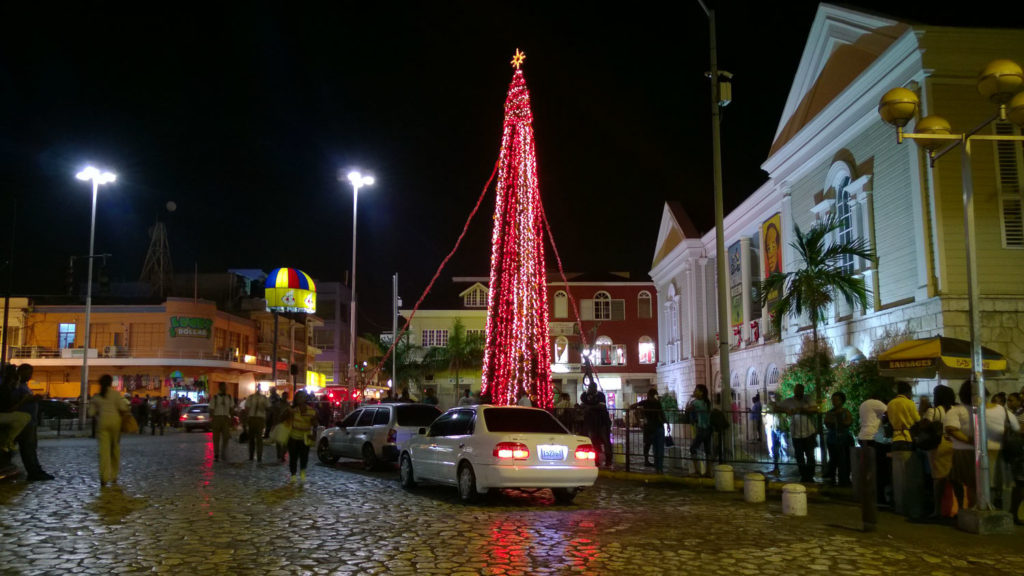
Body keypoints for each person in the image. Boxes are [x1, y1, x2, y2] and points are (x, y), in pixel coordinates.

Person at [11, 364, 54, 481]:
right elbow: (16, 401)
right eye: (28, 373)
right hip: (24, 422)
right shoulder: (16, 385)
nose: (30, 376)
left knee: (31, 448)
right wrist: (30, 399)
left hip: (30, 420)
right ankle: (34, 472)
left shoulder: (23, 385)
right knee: (28, 448)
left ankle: (36, 470)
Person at [88, 374, 130, 486]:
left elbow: (90, 412)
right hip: (115, 422)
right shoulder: (115, 394)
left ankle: (104, 477)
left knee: (104, 451)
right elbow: (123, 408)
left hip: (102, 423)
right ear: (111, 383)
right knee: (115, 449)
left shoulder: (97, 397)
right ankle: (114, 475)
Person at [887, 381, 920, 515]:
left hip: (895, 439)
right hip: (907, 438)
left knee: (897, 475)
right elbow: (917, 420)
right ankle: (907, 505)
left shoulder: (890, 404)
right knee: (908, 474)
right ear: (908, 392)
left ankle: (898, 504)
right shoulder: (909, 403)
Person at [925, 384, 955, 518]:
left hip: (938, 445)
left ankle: (938, 509)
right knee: (953, 478)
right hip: (954, 443)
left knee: (938, 478)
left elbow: (925, 426)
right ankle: (954, 507)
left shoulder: (934, 411)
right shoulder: (955, 409)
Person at [778, 384, 818, 483]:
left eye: (800, 390)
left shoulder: (807, 398)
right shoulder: (789, 401)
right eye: (797, 390)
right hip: (796, 433)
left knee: (810, 455)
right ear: (794, 391)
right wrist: (786, 410)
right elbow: (776, 408)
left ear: (803, 391)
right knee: (799, 455)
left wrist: (801, 410)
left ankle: (810, 475)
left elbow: (815, 409)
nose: (799, 392)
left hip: (809, 432)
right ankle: (803, 475)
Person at [858, 392, 892, 506]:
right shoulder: (877, 403)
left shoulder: (864, 404)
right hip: (872, 438)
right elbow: (890, 413)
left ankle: (869, 495)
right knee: (880, 468)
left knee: (869, 468)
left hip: (863, 437)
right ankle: (880, 497)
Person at [0, 365, 31, 472]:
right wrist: (23, 401)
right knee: (24, 417)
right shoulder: (5, 389)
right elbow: (8, 409)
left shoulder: (8, 389)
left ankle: (8, 442)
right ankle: (7, 441)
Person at [282, 390, 317, 484]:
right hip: (293, 437)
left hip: (305, 438)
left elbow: (315, 423)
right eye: (299, 397)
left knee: (304, 457)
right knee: (293, 457)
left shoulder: (311, 411)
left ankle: (302, 472)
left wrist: (314, 433)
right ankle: (293, 475)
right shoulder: (293, 410)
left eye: (302, 397)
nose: (300, 399)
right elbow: (283, 419)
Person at [823, 391, 853, 486]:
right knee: (833, 459)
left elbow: (848, 422)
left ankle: (844, 479)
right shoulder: (830, 412)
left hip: (843, 439)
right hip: (832, 439)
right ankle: (832, 478)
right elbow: (827, 423)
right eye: (833, 400)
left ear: (841, 401)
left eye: (836, 400)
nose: (834, 402)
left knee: (844, 460)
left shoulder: (846, 412)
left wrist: (838, 419)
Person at [581, 379, 612, 467]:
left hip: (602, 421)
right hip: (591, 422)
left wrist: (589, 407)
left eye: (593, 387)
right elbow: (583, 405)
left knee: (606, 441)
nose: (591, 389)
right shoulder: (585, 396)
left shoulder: (600, 395)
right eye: (590, 387)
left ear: (595, 388)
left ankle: (608, 461)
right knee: (594, 441)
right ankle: (596, 460)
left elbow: (602, 406)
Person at [638, 389, 666, 474]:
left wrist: (640, 419)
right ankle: (658, 467)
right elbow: (662, 414)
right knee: (657, 448)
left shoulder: (646, 402)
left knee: (653, 447)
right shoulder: (655, 402)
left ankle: (657, 466)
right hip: (656, 427)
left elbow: (633, 406)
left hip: (651, 427)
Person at [687, 384, 712, 477]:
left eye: (696, 390)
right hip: (709, 428)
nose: (694, 391)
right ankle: (709, 471)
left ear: (701, 393)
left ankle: (696, 470)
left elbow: (687, 409)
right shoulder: (707, 402)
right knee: (707, 450)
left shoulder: (696, 402)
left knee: (693, 448)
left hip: (701, 428)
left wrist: (690, 398)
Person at [209, 382, 235, 462]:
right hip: (217, 417)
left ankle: (224, 453)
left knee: (226, 437)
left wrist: (231, 418)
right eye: (223, 387)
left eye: (225, 387)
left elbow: (231, 409)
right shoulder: (215, 397)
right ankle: (216, 454)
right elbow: (211, 409)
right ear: (220, 387)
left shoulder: (229, 397)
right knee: (216, 438)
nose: (225, 388)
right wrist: (212, 419)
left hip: (225, 418)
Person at [245, 385, 269, 462]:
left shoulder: (264, 398)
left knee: (259, 439)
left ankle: (259, 456)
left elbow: (268, 407)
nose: (259, 389)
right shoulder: (251, 397)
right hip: (252, 418)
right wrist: (246, 419)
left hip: (260, 418)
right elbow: (247, 408)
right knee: (251, 438)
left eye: (260, 388)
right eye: (258, 387)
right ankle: (251, 455)